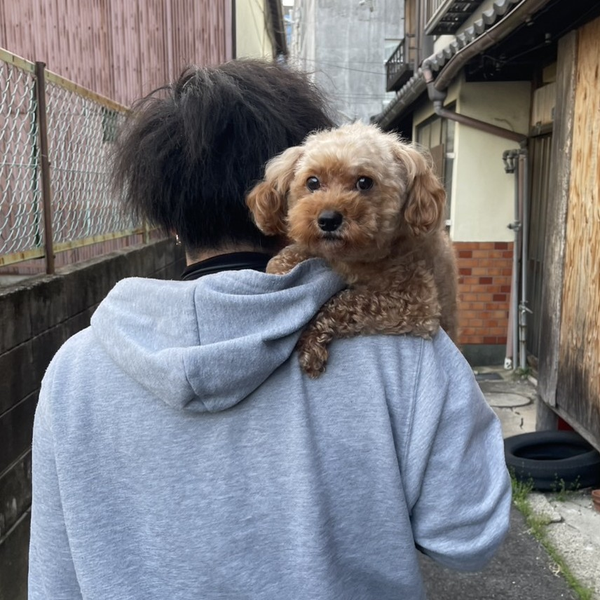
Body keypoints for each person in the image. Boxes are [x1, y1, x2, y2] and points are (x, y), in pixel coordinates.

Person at [29, 59, 511, 600]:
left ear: (166, 221)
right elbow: (468, 537)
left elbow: (54, 582)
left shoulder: (72, 373)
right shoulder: (407, 353)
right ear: (283, 204)